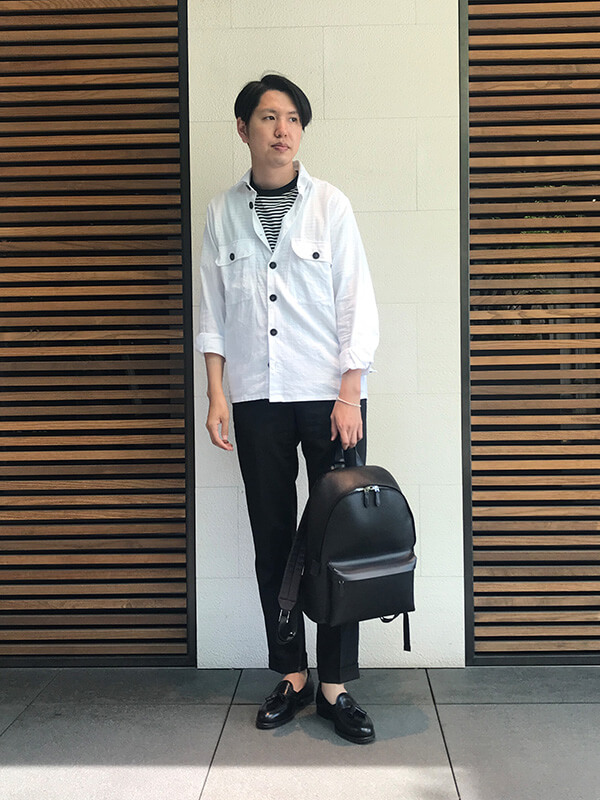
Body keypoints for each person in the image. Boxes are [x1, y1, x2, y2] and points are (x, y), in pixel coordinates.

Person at [196, 74, 379, 744]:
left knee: (337, 540)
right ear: (243, 128)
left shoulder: (330, 205)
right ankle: (293, 676)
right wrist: (216, 393)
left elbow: (356, 300)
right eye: (269, 117)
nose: (283, 129)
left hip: (331, 399)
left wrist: (351, 391)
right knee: (272, 537)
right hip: (255, 398)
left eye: (294, 118)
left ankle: (335, 686)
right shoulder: (222, 213)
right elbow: (213, 310)